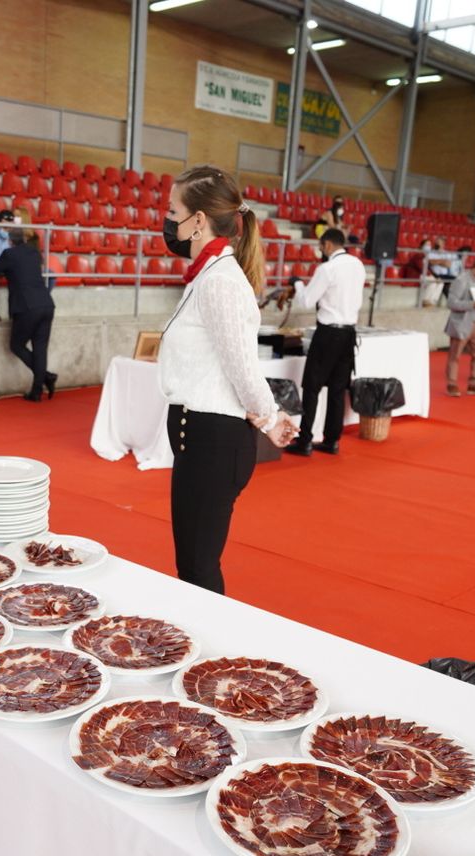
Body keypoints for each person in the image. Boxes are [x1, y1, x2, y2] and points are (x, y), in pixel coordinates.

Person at [157, 164, 299, 595]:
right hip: (200, 433)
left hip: (212, 437)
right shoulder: (208, 274)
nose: (166, 218)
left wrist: (271, 418)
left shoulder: (220, 281)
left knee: (198, 569)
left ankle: (213, 657)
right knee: (193, 564)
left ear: (197, 219)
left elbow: (242, 366)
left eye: (172, 209)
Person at [283, 227, 365, 457]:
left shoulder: (327, 269)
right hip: (349, 333)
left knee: (312, 387)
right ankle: (331, 440)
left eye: (321, 247)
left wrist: (298, 283)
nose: (321, 251)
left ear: (328, 245)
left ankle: (305, 440)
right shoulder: (357, 265)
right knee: (338, 389)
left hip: (328, 333)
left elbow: (307, 301)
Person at [0, 213, 56, 401]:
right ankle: (38, 390)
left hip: (26, 307)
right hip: (46, 303)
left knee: (16, 345)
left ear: (10, 241)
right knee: (40, 348)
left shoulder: (9, 254)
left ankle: (46, 376)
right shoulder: (34, 253)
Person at [444, 256, 475, 397]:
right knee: (455, 355)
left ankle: (474, 384)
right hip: (462, 323)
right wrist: (472, 304)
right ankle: (452, 384)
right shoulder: (461, 280)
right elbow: (451, 303)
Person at [421, 237, 452, 307]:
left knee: (454, 280)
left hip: (445, 275)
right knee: (443, 283)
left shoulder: (446, 253)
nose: (436, 243)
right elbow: (431, 262)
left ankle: (433, 302)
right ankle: (430, 302)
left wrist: (438, 261)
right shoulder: (431, 252)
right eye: (436, 242)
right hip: (435, 274)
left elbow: (448, 265)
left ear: (443, 244)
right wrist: (442, 261)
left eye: (439, 242)